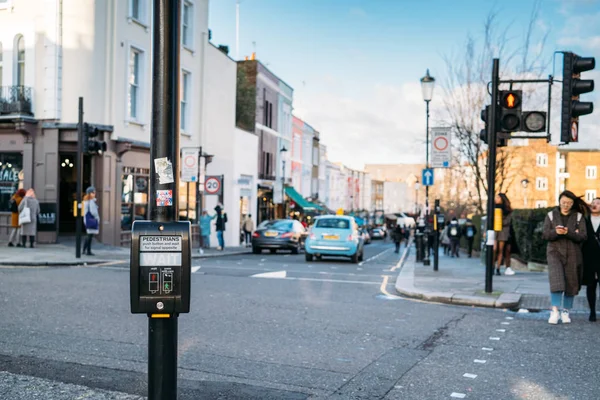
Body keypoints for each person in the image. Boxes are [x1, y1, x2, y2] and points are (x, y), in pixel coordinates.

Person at [542, 190, 588, 325]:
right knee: (556, 280)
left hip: (573, 252)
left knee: (571, 282)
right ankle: (555, 311)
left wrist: (569, 233)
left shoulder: (579, 217)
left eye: (569, 203)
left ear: (573, 203)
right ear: (559, 201)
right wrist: (555, 232)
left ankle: (566, 311)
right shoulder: (550, 215)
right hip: (554, 252)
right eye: (563, 202)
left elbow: (583, 236)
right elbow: (545, 235)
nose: (566, 205)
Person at [582, 197, 600, 322]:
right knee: (591, 285)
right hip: (588, 257)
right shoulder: (585, 220)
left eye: (598, 203)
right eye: (593, 203)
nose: (595, 205)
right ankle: (592, 311)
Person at [494, 193, 515, 276]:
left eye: (498, 197)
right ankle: (492, 266)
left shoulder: (507, 210)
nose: (496, 199)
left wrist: (500, 219)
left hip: (503, 232)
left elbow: (508, 221)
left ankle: (498, 268)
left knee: (501, 250)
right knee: (494, 249)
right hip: (494, 231)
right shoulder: (493, 208)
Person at [82, 186, 100, 256]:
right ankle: (88, 251)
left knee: (88, 235)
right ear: (89, 193)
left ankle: (84, 250)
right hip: (91, 220)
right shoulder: (91, 201)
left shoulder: (86, 201)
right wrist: (97, 218)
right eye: (93, 192)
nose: (94, 194)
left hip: (87, 220)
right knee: (89, 236)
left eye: (94, 192)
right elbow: (93, 212)